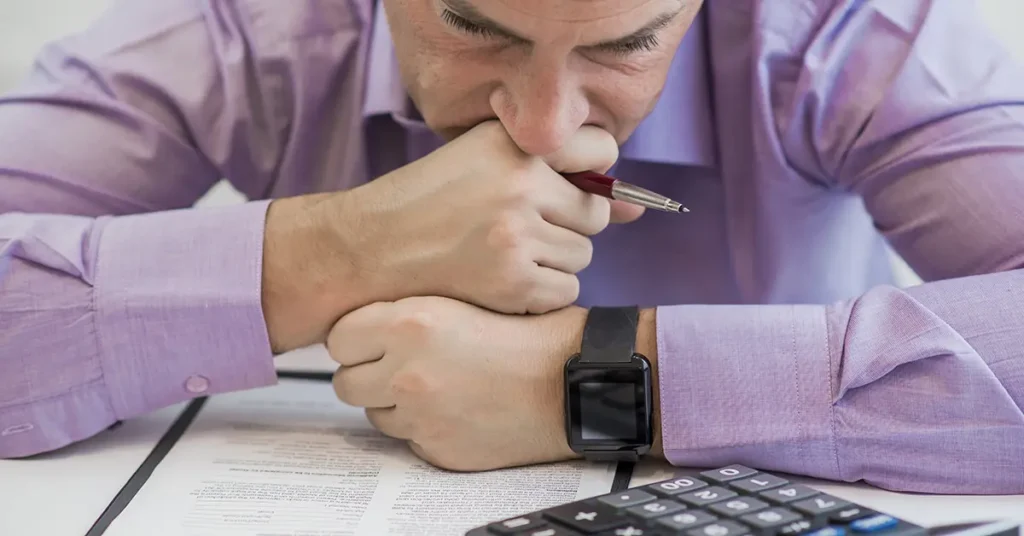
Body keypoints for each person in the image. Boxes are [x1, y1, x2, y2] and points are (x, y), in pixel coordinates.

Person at [1, 0, 1022, 495]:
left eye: (625, 44)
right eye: (470, 25)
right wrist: (340, 247)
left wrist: (592, 377)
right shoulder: (247, 33)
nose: (540, 128)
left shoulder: (851, 35)